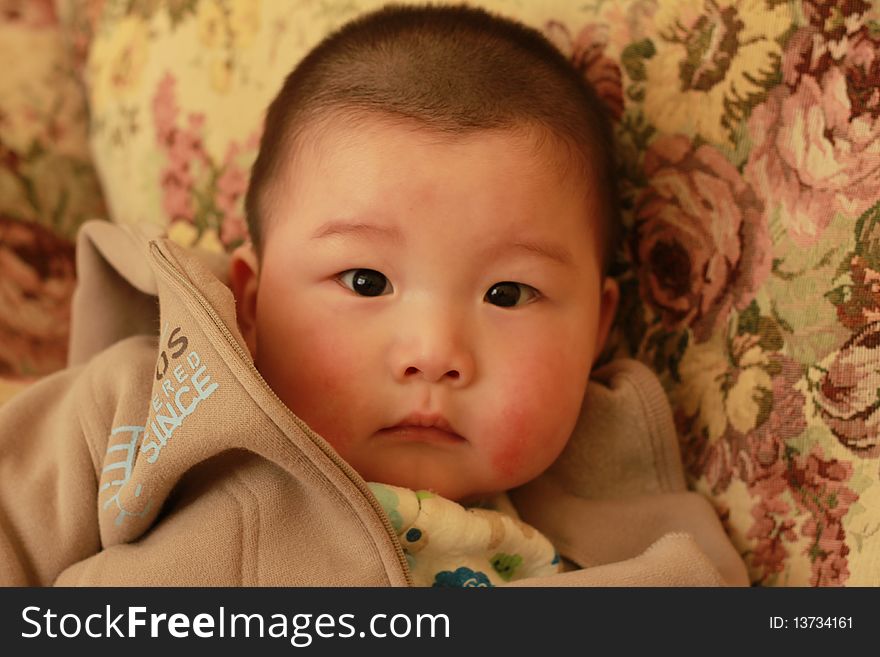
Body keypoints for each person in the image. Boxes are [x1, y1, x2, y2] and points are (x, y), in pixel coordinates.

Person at [0, 4, 747, 587]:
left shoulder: (635, 540)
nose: (434, 354)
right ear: (253, 303)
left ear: (596, 328)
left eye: (508, 292)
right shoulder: (144, 403)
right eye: (364, 281)